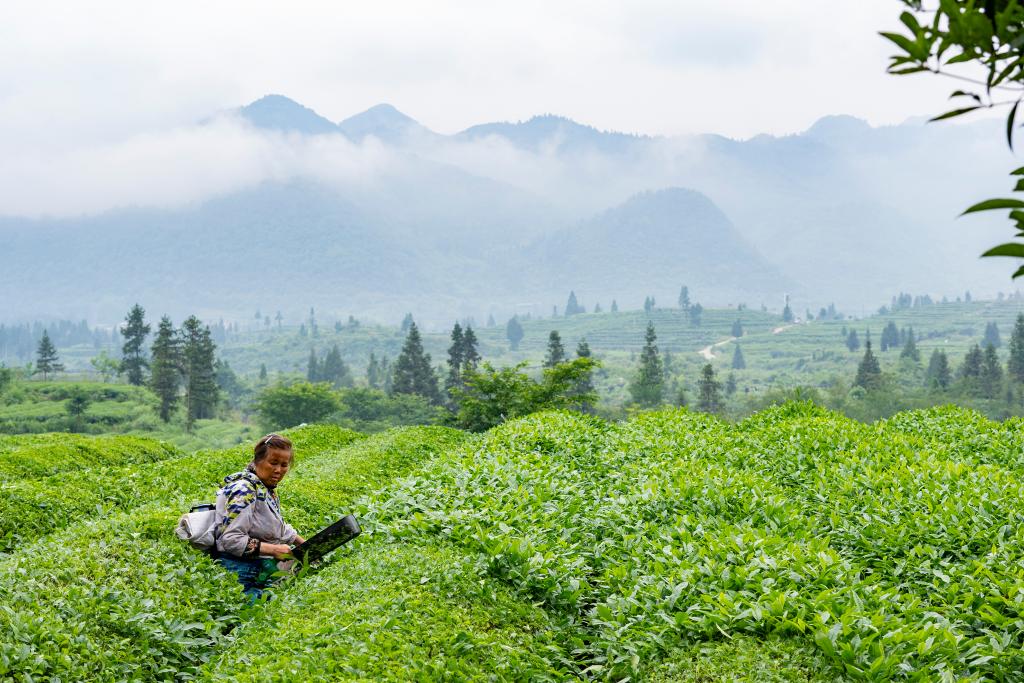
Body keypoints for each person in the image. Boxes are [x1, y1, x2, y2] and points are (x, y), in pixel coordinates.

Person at [214, 433, 304, 602]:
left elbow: (273, 524)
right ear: (257, 461)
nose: (278, 470)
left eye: (284, 465)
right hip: (241, 573)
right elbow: (231, 539)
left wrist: (302, 544)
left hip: (258, 567)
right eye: (273, 463)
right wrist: (274, 550)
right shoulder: (244, 490)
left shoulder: (264, 487)